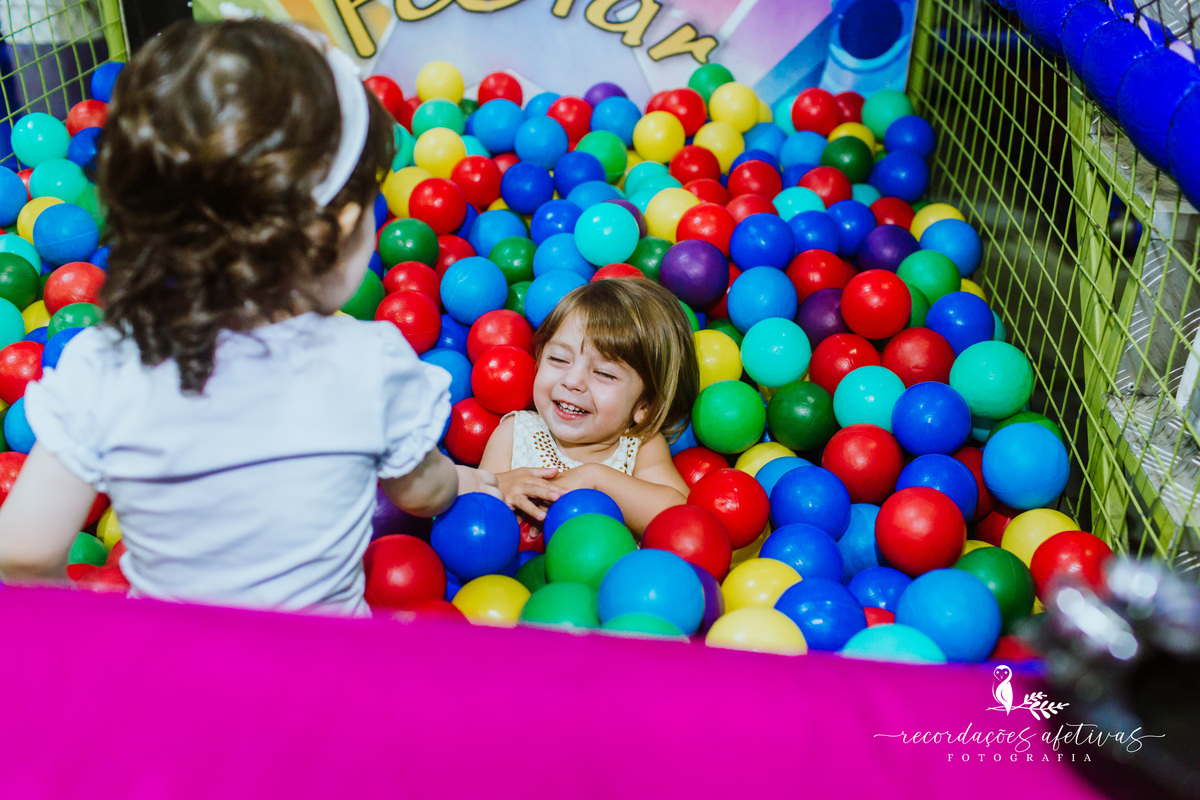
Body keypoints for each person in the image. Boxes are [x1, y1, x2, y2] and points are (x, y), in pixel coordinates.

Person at [0, 19, 499, 616]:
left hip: (168, 666)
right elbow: (422, 491)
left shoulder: (105, 365)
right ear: (338, 230)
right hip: (322, 667)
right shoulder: (370, 363)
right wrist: (467, 482)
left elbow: (23, 554)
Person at [479, 278, 699, 536]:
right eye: (558, 359)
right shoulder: (516, 431)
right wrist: (497, 486)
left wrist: (596, 479)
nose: (572, 381)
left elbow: (684, 520)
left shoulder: (640, 446)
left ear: (645, 406)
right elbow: (470, 508)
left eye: (604, 373)